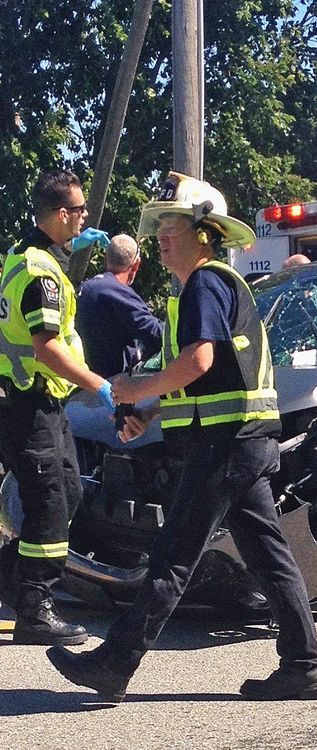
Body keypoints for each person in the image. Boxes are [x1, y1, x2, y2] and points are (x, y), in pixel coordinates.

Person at [46, 172, 317, 702]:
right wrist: (150, 410)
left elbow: (199, 361)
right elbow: (207, 377)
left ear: (204, 231)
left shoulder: (206, 282)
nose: (161, 236)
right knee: (268, 558)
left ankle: (114, 663)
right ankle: (302, 666)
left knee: (173, 555)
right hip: (243, 443)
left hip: (225, 445)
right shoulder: (211, 284)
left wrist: (137, 387)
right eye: (159, 228)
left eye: (171, 224)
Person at [0, 169, 114, 645]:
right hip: (30, 402)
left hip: (39, 405)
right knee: (49, 502)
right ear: (62, 214)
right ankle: (35, 608)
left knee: (67, 490)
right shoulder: (40, 273)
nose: (87, 216)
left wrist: (73, 248)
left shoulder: (25, 256)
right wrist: (98, 385)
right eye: (80, 210)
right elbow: (47, 346)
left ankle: (13, 580)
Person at [76, 233, 163, 378]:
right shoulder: (116, 291)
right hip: (109, 386)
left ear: (106, 259)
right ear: (136, 264)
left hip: (81, 381)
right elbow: (154, 333)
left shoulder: (85, 287)